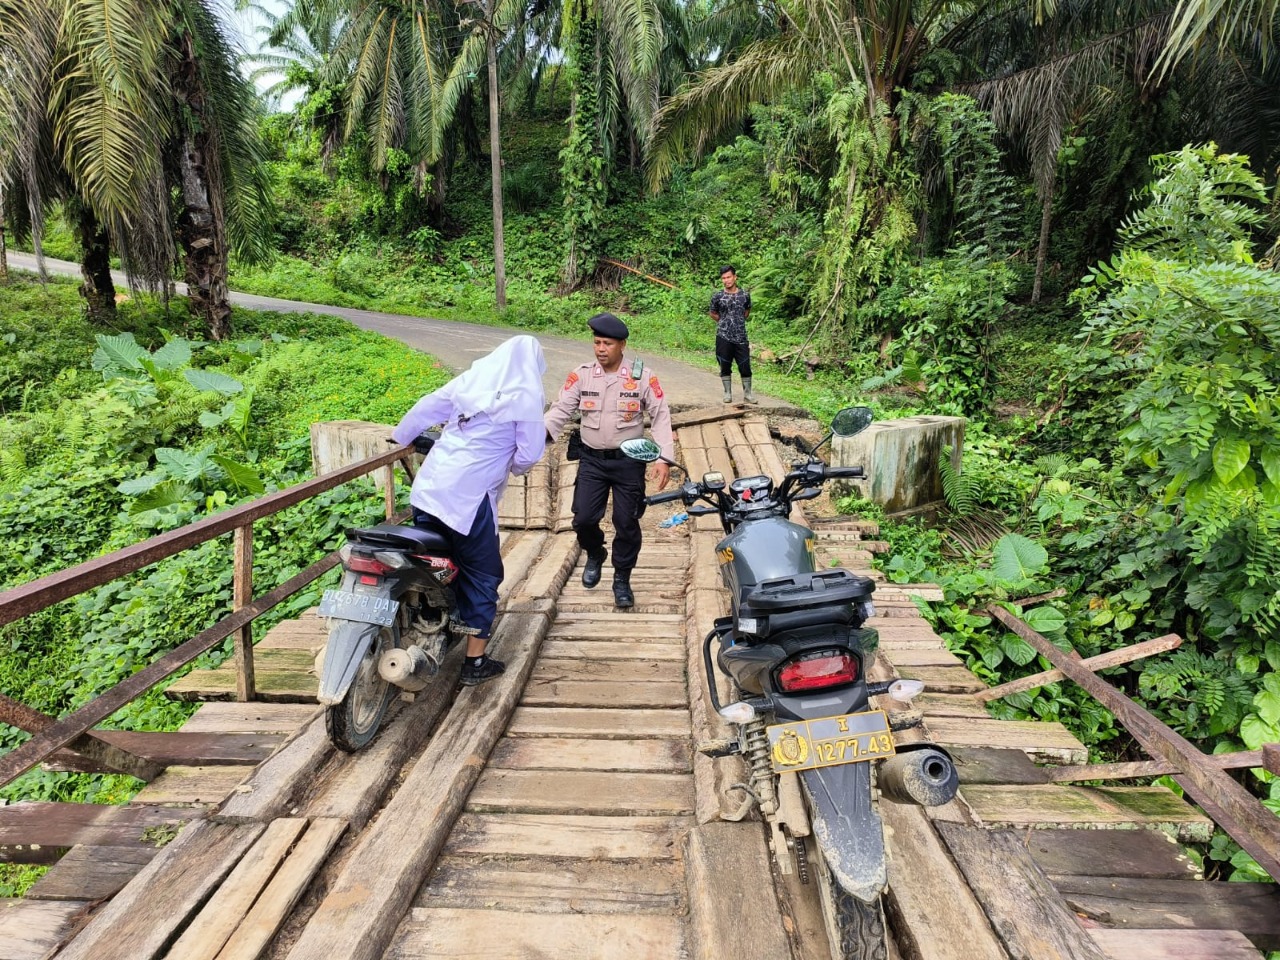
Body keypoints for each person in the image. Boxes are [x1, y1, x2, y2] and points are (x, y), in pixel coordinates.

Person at [391, 335, 547, 686]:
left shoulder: (471, 379)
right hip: (467, 497)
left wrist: (401, 436)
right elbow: (530, 453)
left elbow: (425, 408)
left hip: (429, 490)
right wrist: (513, 464)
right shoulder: (527, 396)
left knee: (434, 559)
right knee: (484, 573)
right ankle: (474, 663)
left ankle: (430, 625)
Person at [545, 312, 674, 608]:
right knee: (584, 518)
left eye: (608, 344)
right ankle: (595, 552)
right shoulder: (582, 375)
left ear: (622, 345)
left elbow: (660, 415)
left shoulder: (642, 376)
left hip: (629, 462)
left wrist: (664, 457)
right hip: (592, 461)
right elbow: (559, 411)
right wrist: (534, 438)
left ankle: (622, 579)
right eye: (597, 342)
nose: (601, 349)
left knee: (626, 522)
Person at [709, 264, 754, 404]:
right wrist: (724, 322)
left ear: (735, 277)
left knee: (745, 365)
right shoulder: (718, 296)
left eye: (729, 277)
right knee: (724, 364)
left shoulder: (745, 295)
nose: (726, 280)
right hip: (723, 337)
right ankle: (727, 393)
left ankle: (748, 394)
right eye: (723, 278)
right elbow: (713, 313)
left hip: (741, 337)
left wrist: (737, 322)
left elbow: (746, 312)